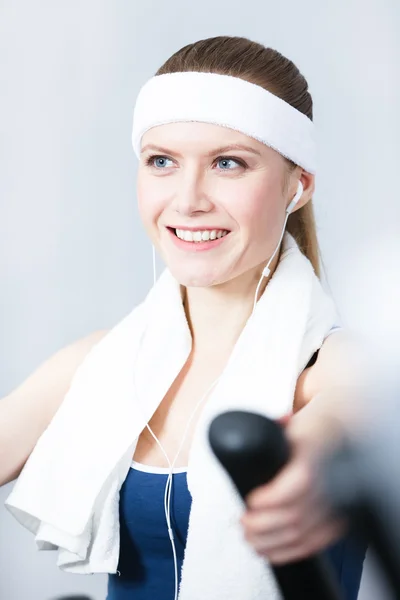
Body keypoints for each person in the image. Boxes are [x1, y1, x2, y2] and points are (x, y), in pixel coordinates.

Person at [1, 36, 368, 600]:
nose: (188, 199)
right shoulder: (97, 364)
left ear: (298, 185)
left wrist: (305, 459)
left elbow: (348, 412)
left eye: (228, 163)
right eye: (162, 162)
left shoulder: (333, 364)